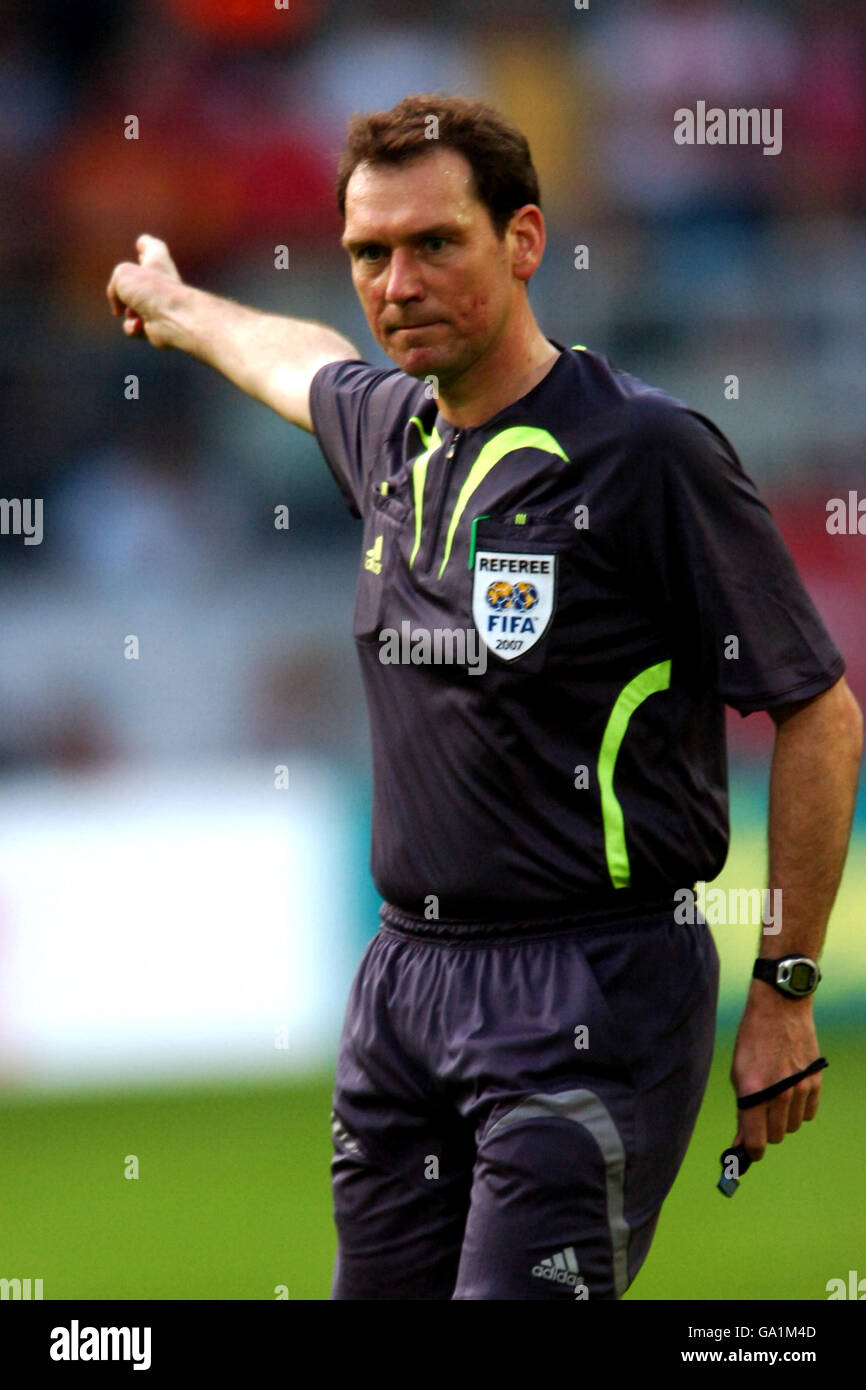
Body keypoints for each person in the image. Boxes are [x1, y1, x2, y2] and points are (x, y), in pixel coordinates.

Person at [107, 93, 862, 1301]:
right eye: (368, 253)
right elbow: (297, 359)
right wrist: (180, 307)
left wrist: (781, 989)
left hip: (590, 989)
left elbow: (817, 709)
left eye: (433, 244)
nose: (395, 281)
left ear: (520, 240)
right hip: (403, 986)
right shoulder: (392, 431)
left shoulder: (644, 453)